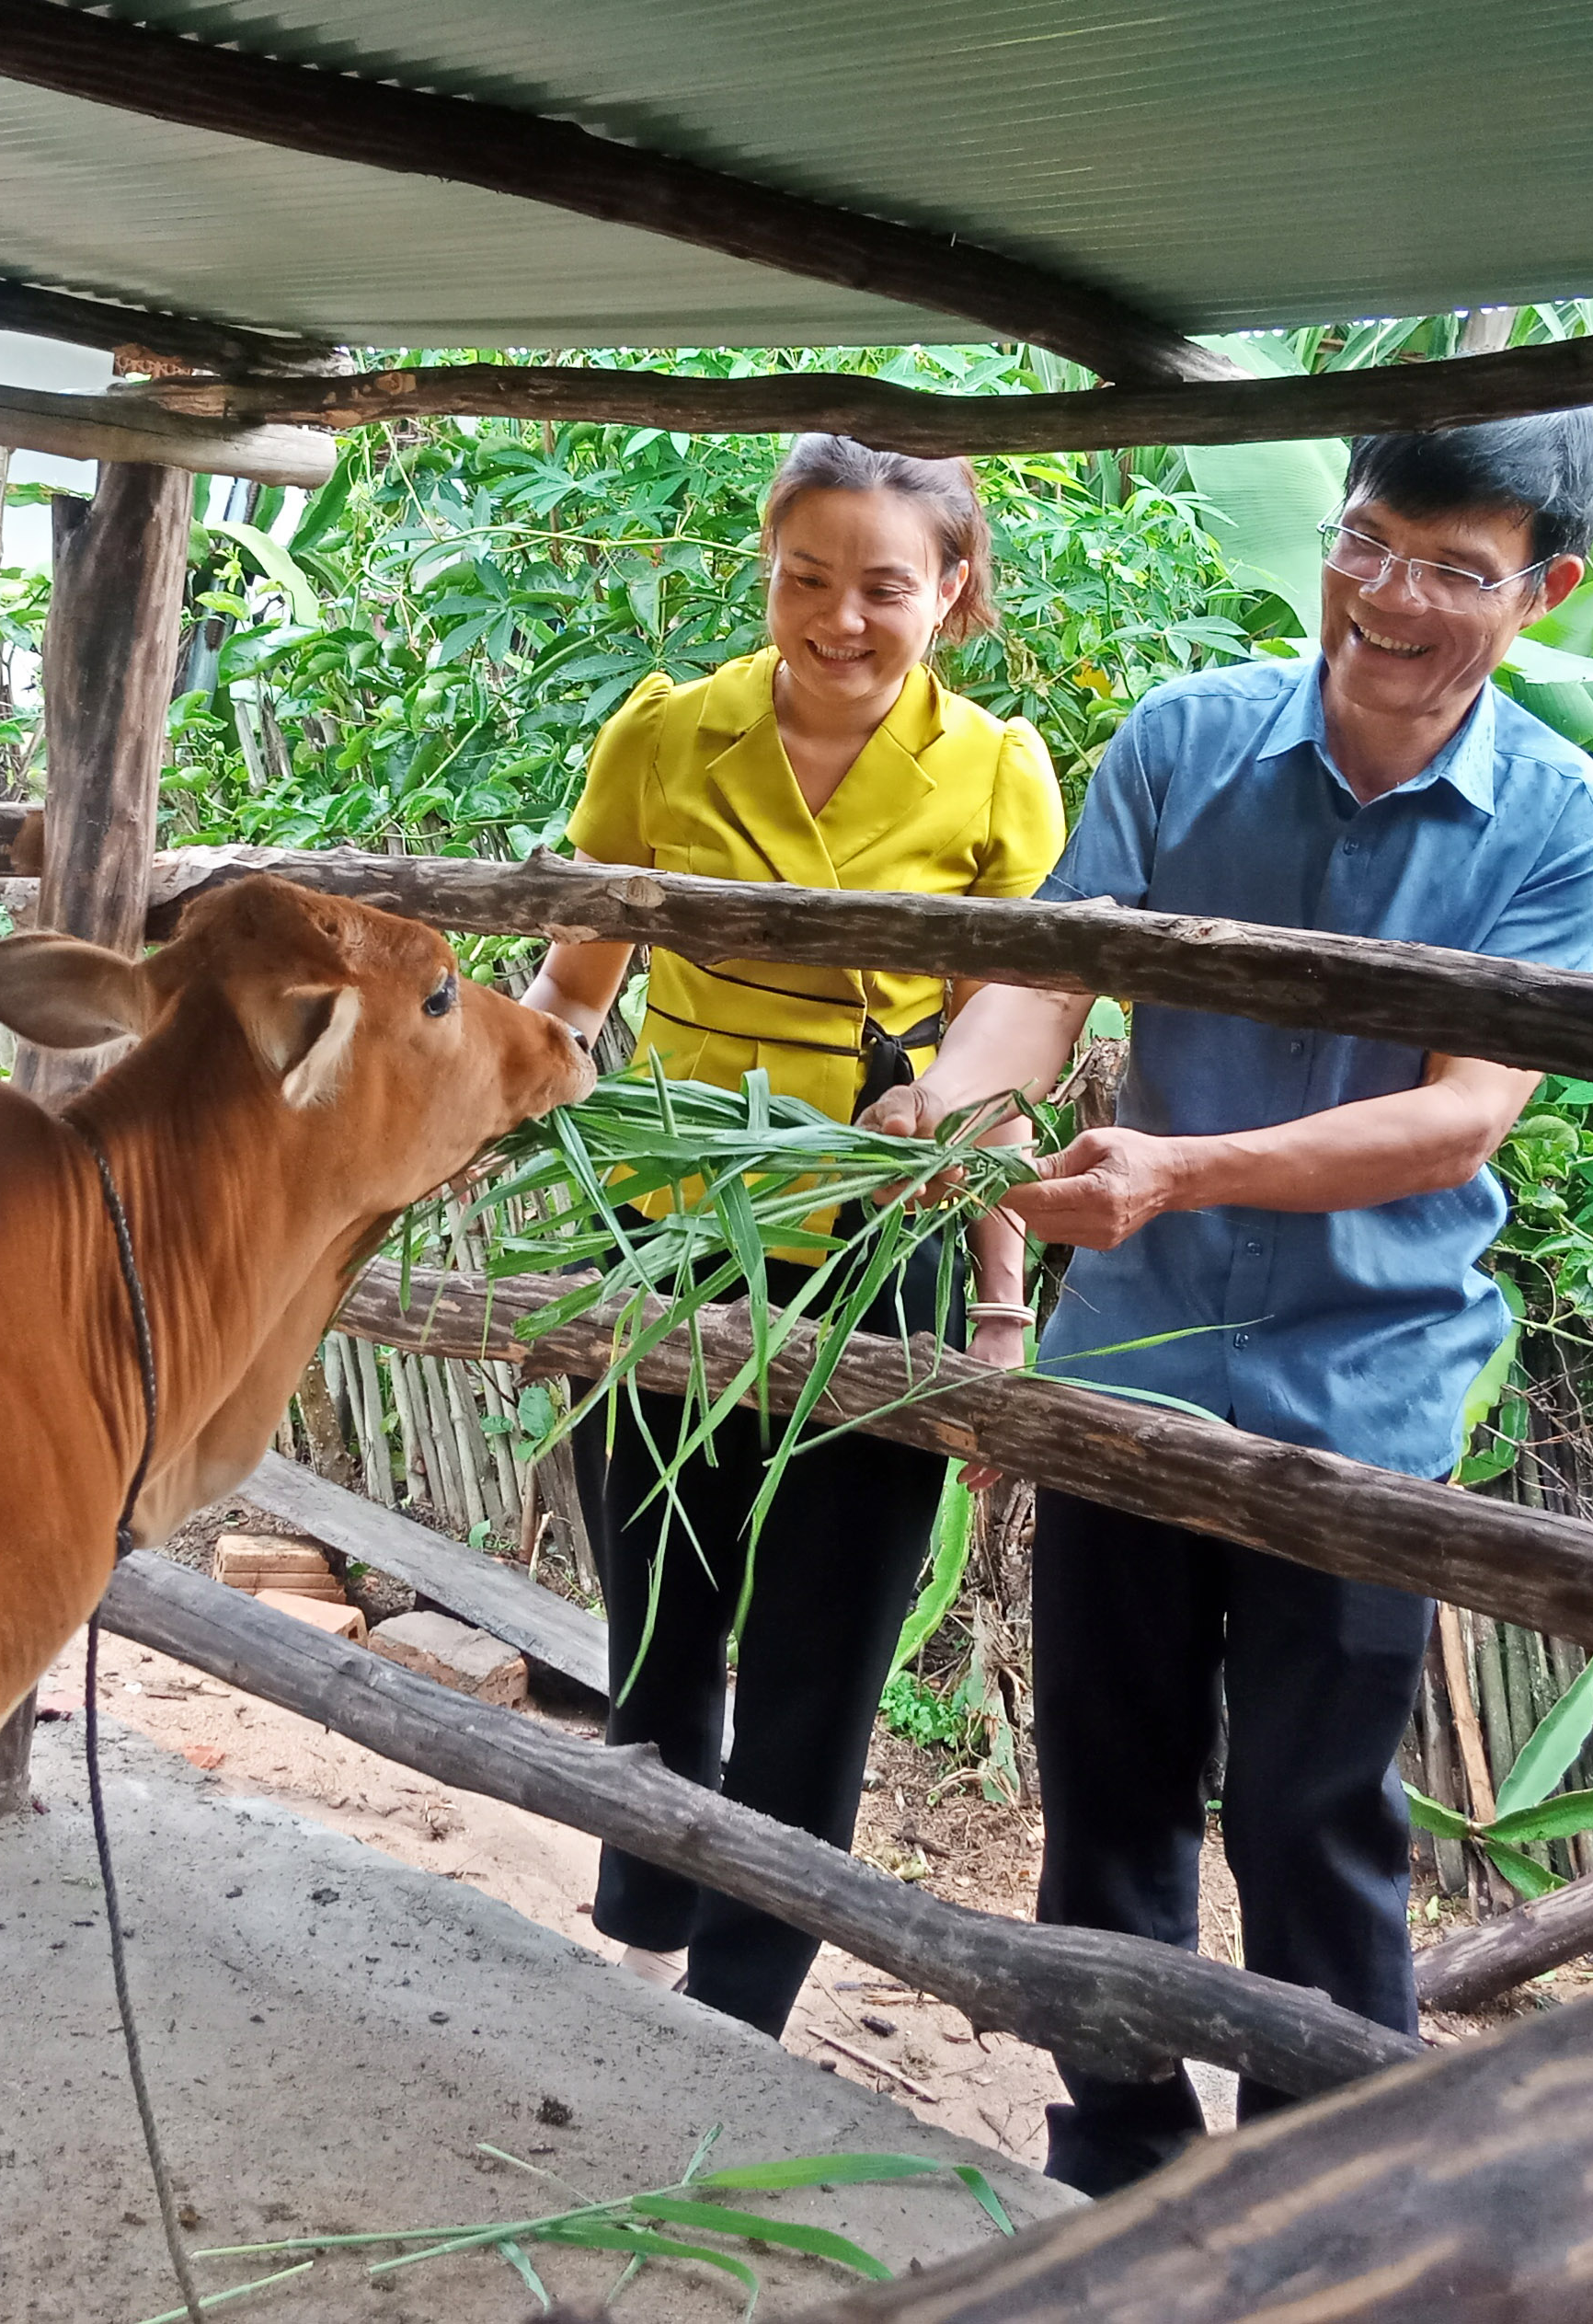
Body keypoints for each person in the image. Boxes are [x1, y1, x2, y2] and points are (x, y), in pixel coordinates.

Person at [865, 408, 1593, 2193]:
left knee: (1312, 1819)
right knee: (1112, 1795)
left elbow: (1461, 1115)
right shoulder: (1185, 742)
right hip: (1129, 1363)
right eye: (1369, 539)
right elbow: (1042, 992)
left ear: (1545, 591)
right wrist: (961, 1109)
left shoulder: (1561, 824)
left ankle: (1321, 2206)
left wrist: (1178, 1170)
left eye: (1455, 569)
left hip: (1363, 1399)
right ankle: (1112, 2168)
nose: (1389, 593)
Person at [520, 434, 1060, 2037]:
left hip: (876, 1255)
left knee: (827, 1647)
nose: (838, 618)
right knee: (657, 1604)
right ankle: (643, 1927)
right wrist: (489, 1119)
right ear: (766, 571)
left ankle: (745, 1994)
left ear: (948, 592)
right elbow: (573, 989)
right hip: (674, 1225)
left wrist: (998, 1313)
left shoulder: (992, 771)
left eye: (883, 586)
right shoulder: (669, 737)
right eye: (802, 578)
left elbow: (1006, 1066)